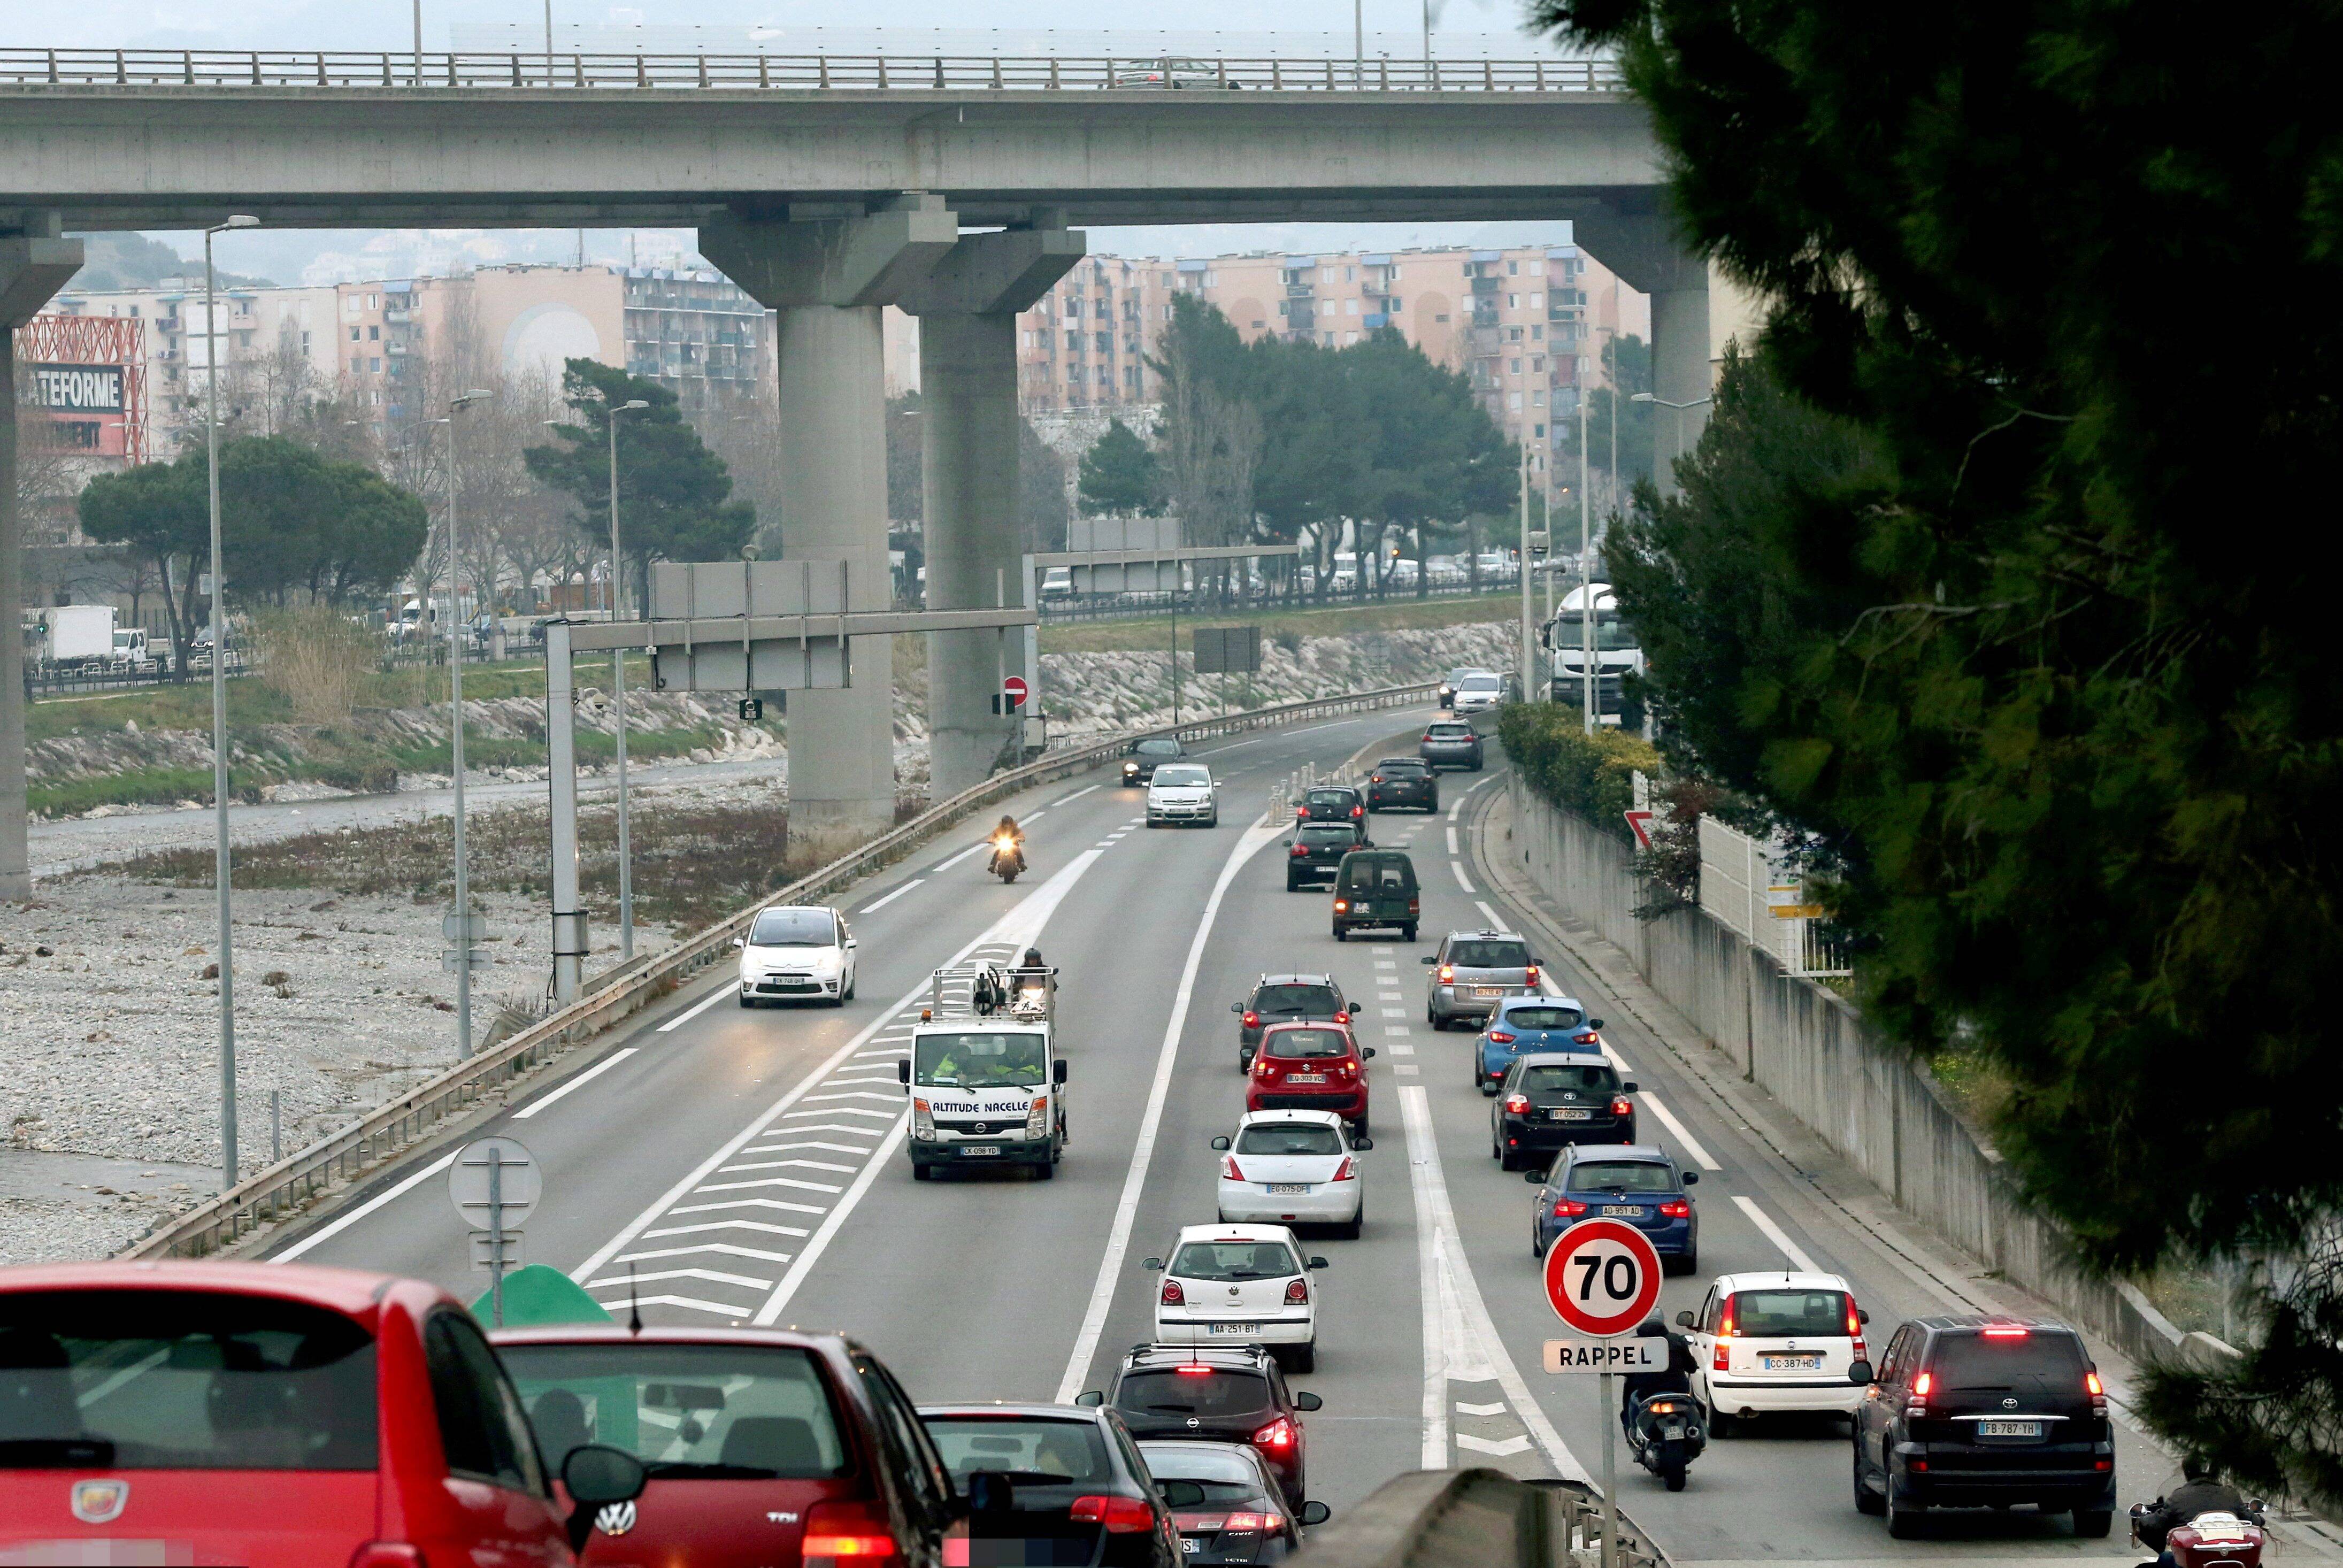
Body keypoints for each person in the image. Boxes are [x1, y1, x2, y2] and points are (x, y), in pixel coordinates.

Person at [2140, 1459, 2252, 1565]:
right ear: (2217, 1472)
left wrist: (2142, 1518)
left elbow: (2156, 1523)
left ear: (2187, 1473)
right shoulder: (2231, 1495)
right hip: (2230, 1556)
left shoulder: (2180, 1496)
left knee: (2165, 1558)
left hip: (2194, 1559)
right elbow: (2254, 1520)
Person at [1619, 1316, 1697, 1439]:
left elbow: (1627, 1369)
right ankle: (1700, 1437)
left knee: (1633, 1401)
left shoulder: (1635, 1344)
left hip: (1648, 1393)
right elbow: (1692, 1367)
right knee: (1692, 1407)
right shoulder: (1676, 1339)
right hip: (1679, 1390)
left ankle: (1634, 1434)